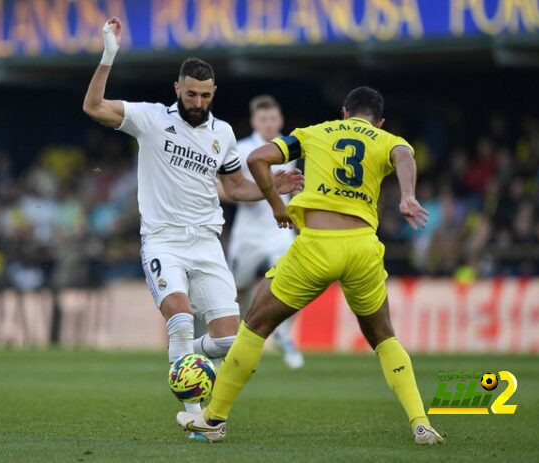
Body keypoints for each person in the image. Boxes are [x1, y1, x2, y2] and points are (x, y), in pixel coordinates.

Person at [177, 87, 444, 445]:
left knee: (255, 324)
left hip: (316, 246)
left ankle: (214, 418)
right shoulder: (387, 139)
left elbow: (257, 158)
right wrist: (408, 195)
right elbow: (404, 155)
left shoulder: (314, 132)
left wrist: (276, 203)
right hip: (362, 248)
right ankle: (420, 422)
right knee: (384, 337)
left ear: (345, 113)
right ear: (379, 121)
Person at [82, 17, 302, 441]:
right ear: (176, 89)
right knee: (180, 319)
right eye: (190, 93)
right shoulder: (149, 119)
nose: (197, 101)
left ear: (213, 94)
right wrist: (109, 55)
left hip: (207, 244)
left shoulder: (224, 134)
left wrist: (273, 184)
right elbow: (94, 106)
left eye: (204, 95)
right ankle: (195, 414)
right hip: (163, 240)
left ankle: (184, 360)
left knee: (231, 345)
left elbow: (236, 187)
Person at [227, 95, 304, 369]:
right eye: (263, 119)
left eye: (273, 119)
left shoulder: (291, 148)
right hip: (247, 233)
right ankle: (228, 340)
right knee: (236, 289)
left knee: (292, 283)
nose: (269, 124)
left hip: (279, 230)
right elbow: (223, 189)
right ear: (254, 121)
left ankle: (284, 336)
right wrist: (257, 193)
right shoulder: (240, 148)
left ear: (281, 120)